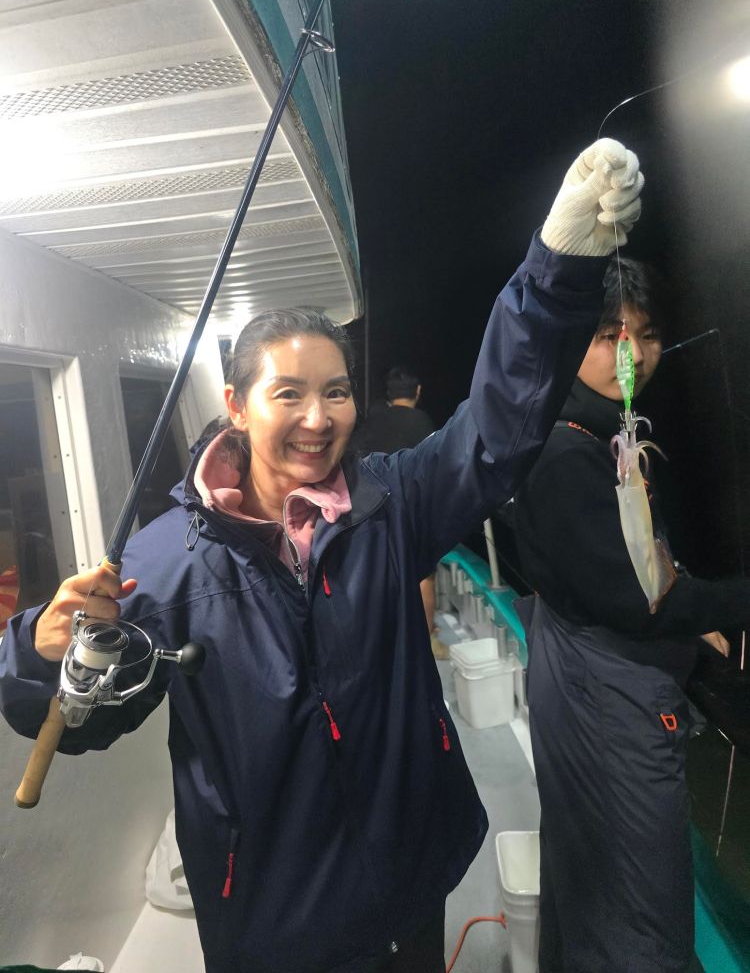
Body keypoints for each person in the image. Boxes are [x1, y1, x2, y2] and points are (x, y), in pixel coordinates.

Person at [0, 139, 643, 973]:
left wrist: (558, 270)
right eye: (289, 394)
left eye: (336, 391)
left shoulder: (392, 502)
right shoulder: (161, 564)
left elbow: (496, 430)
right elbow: (80, 722)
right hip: (279, 925)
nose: (318, 417)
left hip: (412, 877)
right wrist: (39, 650)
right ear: (236, 406)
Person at [513, 257, 750, 973]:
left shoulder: (602, 431)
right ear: (571, 344)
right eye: (609, 336)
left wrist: (693, 610)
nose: (634, 354)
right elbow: (640, 601)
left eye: (646, 335)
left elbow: (641, 568)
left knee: (588, 875)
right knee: (635, 892)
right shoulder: (566, 452)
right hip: (603, 693)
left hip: (584, 672)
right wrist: (730, 601)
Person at [352, 367, 442, 651]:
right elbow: (433, 468)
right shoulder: (423, 421)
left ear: (390, 395)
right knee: (423, 575)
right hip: (409, 505)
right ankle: (427, 640)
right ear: (418, 392)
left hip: (367, 506)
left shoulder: (373, 419)